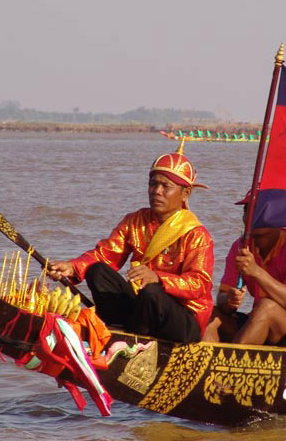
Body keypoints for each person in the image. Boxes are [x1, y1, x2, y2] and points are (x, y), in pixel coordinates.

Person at [48, 141, 214, 344]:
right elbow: (105, 255)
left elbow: (199, 283)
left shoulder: (197, 234)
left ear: (185, 193)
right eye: (153, 184)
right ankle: (119, 331)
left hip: (182, 321)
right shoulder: (134, 221)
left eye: (165, 186)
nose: (157, 191)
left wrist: (158, 278)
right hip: (143, 309)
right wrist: (72, 267)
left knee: (152, 291)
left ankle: (134, 341)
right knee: (97, 271)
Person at [203, 193, 286, 349]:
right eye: (247, 210)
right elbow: (222, 297)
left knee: (267, 307)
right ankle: (205, 363)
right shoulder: (240, 247)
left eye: (260, 210)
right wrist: (229, 300)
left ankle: (232, 361)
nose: (250, 216)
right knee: (210, 313)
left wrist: (256, 271)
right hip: (262, 319)